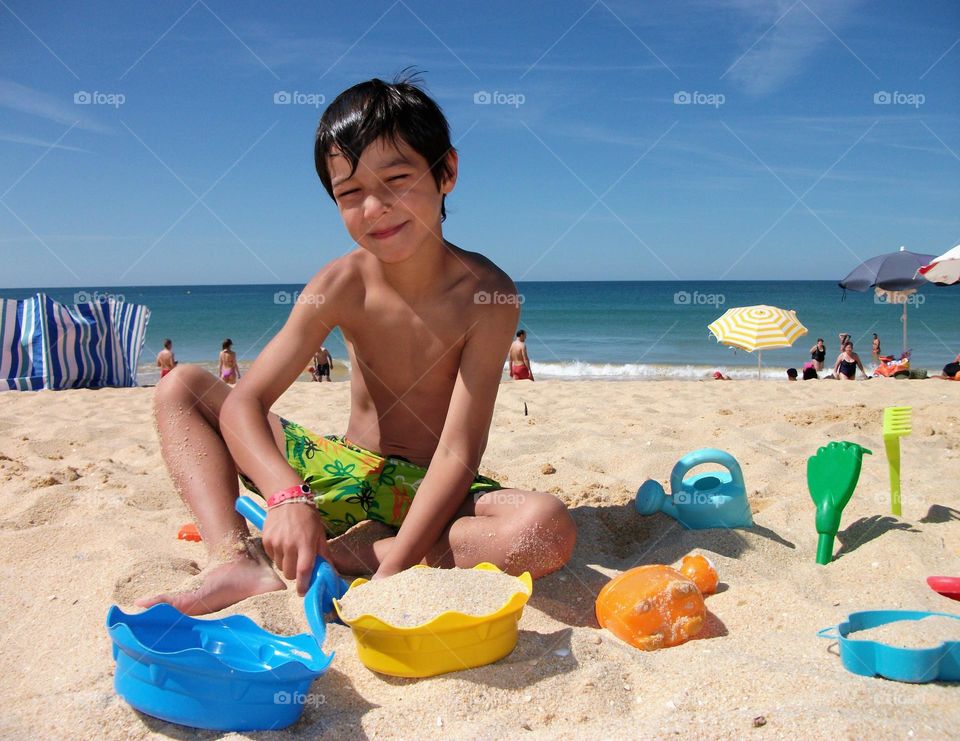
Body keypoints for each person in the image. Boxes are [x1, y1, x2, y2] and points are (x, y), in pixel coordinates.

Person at [136, 75, 575, 616]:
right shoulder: (341, 284)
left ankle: (360, 552)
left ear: (447, 172)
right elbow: (246, 401)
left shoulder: (488, 295)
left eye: (396, 180)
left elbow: (459, 452)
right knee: (181, 386)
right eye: (350, 194)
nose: (375, 209)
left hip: (429, 491)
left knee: (545, 529)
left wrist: (393, 571)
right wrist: (284, 493)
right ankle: (235, 559)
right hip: (339, 471)